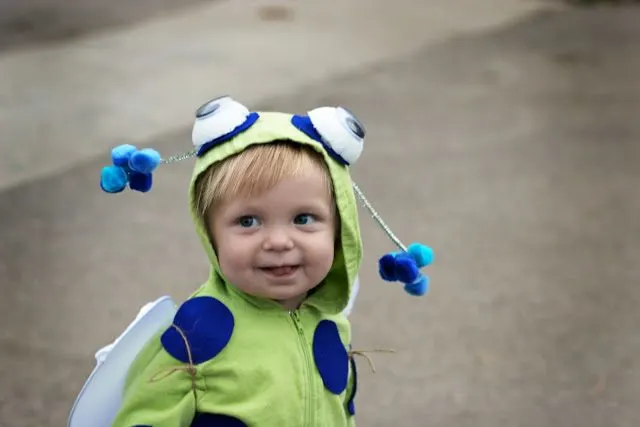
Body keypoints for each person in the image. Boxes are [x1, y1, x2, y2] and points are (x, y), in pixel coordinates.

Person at [70, 96, 434, 427]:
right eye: (248, 221)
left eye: (304, 218)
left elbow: (341, 409)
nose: (278, 242)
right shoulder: (196, 330)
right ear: (210, 236)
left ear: (340, 230)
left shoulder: (331, 322)